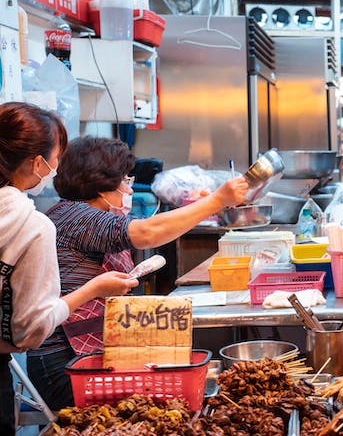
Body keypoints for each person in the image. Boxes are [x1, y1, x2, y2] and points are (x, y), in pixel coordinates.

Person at [0, 103, 138, 436]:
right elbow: (30, 328)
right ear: (38, 163)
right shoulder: (43, 222)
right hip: (49, 363)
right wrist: (91, 290)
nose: (129, 187)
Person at [27, 135, 248, 412]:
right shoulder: (75, 218)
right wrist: (217, 200)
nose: (129, 190)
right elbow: (148, 232)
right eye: (124, 181)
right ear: (100, 184)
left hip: (90, 357)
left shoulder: (86, 215)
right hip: (65, 365)